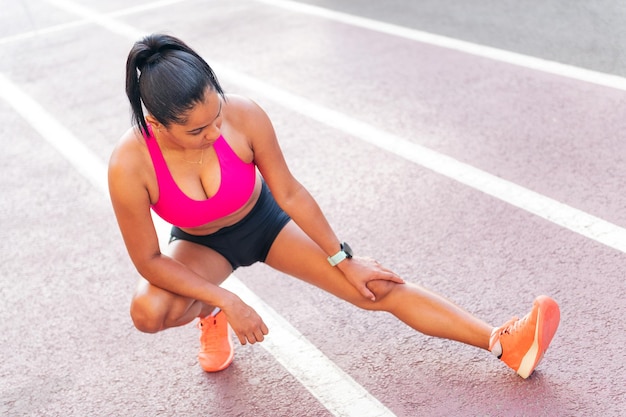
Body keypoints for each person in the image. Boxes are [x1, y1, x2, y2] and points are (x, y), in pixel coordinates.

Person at [108, 33, 560, 379]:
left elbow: (289, 192)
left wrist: (345, 258)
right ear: (156, 124)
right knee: (148, 312)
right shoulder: (129, 166)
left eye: (217, 118)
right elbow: (148, 260)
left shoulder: (245, 115)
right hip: (201, 246)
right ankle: (209, 316)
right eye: (197, 131)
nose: (214, 133)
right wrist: (224, 298)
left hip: (265, 221)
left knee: (373, 289)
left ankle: (502, 342)